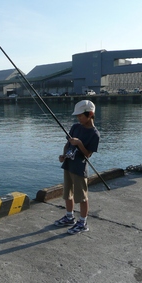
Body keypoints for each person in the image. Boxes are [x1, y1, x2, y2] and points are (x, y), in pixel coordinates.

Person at [54, 100, 100, 234]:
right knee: (67, 194)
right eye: (77, 116)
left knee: (82, 197)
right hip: (68, 165)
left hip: (80, 168)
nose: (78, 118)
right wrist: (63, 155)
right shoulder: (75, 127)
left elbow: (87, 154)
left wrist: (79, 143)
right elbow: (67, 144)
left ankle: (83, 222)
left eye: (80, 115)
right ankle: (69, 217)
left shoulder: (94, 134)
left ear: (90, 114)